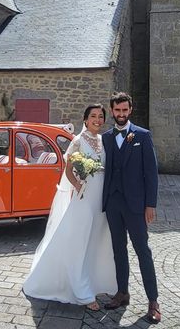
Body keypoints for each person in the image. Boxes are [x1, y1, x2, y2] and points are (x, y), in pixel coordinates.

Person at [23, 104, 117, 310]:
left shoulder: (104, 141)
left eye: (101, 116)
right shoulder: (78, 141)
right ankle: (81, 292)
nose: (97, 120)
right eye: (93, 116)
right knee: (79, 242)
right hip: (84, 198)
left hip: (100, 199)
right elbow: (68, 170)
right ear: (85, 120)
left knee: (95, 240)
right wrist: (77, 185)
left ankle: (95, 281)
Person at [102, 92, 161, 324]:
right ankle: (122, 292)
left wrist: (151, 204)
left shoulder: (143, 136)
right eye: (117, 110)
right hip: (113, 203)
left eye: (125, 110)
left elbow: (151, 173)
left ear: (130, 110)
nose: (121, 114)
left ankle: (153, 301)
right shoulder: (106, 138)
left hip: (136, 205)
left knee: (143, 251)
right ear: (112, 111)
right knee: (118, 250)